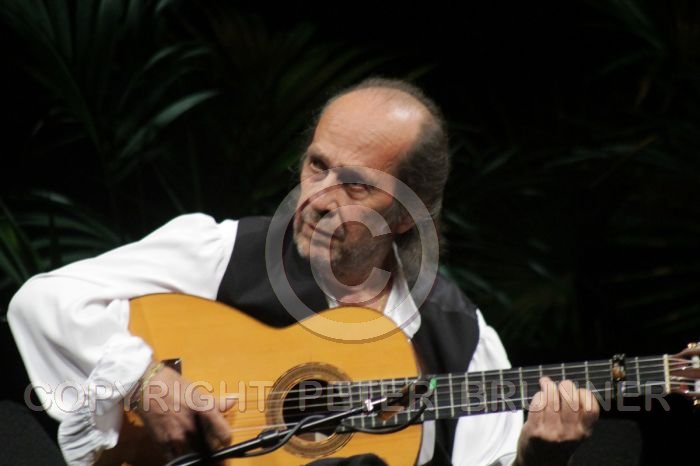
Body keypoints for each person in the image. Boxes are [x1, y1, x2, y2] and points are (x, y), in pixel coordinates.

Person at [8, 78, 599, 465]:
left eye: (356, 186)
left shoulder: (459, 336)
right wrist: (146, 379)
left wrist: (535, 459)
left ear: (406, 214)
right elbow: (41, 300)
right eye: (318, 166)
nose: (317, 198)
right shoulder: (226, 251)